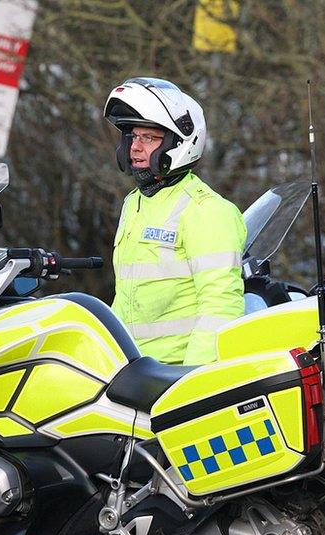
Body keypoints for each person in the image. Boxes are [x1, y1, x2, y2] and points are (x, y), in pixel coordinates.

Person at [104, 77, 246, 365]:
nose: (135, 147)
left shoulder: (206, 210)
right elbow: (127, 296)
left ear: (179, 143)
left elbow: (220, 305)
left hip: (175, 374)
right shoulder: (135, 202)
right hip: (132, 369)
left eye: (149, 138)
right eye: (132, 136)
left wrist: (191, 380)